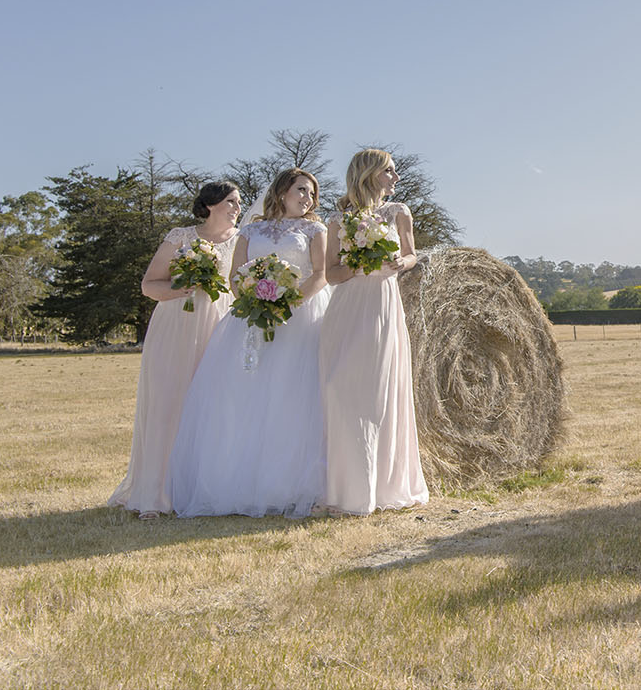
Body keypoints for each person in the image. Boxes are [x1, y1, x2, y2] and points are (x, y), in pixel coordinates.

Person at [167, 168, 331, 518]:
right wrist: (257, 299)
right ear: (282, 191)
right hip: (251, 316)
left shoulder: (316, 229)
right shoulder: (251, 230)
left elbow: (319, 275)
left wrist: (286, 303)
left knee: (293, 395)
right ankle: (243, 481)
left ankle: (291, 485)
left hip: (300, 317)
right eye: (301, 190)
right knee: (244, 397)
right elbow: (234, 274)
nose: (308, 198)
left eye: (312, 194)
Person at [107, 181, 242, 518]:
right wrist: (185, 284)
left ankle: (203, 489)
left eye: (239, 202)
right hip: (177, 324)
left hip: (220, 325)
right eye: (231, 201)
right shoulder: (181, 237)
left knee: (213, 405)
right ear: (210, 205)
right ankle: (155, 494)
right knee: (169, 402)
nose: (237, 208)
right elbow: (149, 285)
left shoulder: (242, 240)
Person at [317, 148, 429, 515]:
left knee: (378, 393)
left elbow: (413, 256)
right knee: (337, 387)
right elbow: (330, 274)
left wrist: (399, 261)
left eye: (395, 172)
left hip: (382, 305)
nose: (395, 178)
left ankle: (380, 488)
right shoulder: (336, 219)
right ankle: (345, 487)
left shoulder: (399, 213)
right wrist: (357, 266)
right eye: (389, 172)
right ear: (368, 174)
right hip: (347, 306)